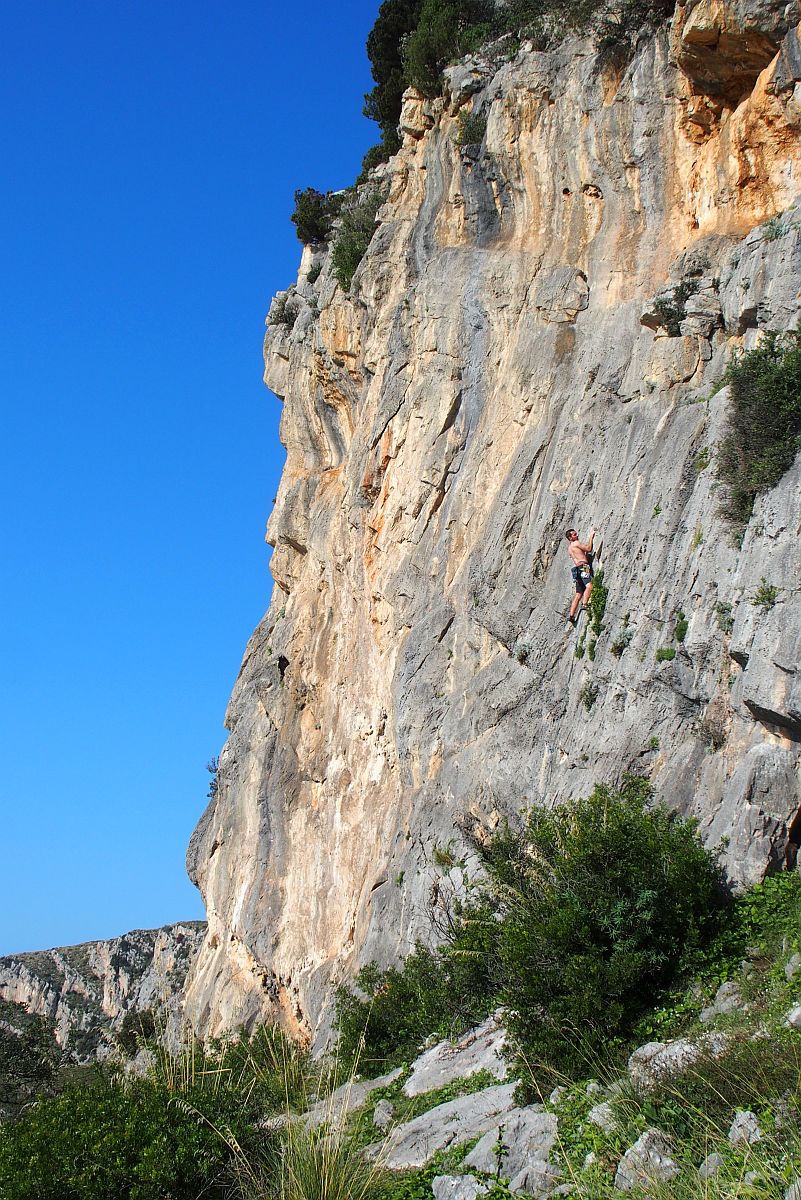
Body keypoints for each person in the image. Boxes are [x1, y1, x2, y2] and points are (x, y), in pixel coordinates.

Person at [565, 527, 595, 627]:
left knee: (578, 593)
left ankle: (572, 615)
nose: (576, 535)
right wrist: (591, 537)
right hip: (583, 567)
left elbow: (580, 554)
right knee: (589, 586)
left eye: (576, 533)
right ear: (570, 538)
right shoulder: (576, 543)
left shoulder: (570, 548)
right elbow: (589, 549)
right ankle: (585, 604)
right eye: (574, 535)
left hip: (576, 569)